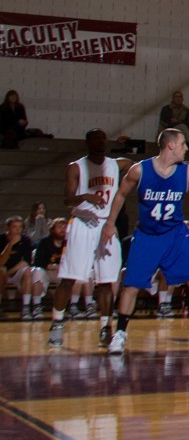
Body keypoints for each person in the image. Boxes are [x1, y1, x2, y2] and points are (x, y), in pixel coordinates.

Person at [100, 129, 189, 354]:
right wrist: (110, 223)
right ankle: (120, 332)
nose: (186, 148)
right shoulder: (139, 170)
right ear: (170, 146)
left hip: (176, 235)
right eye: (183, 144)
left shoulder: (187, 173)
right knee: (131, 285)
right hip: (147, 236)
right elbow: (120, 195)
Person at [48, 129, 126, 348]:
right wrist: (84, 196)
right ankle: (57, 324)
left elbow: (147, 166)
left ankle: (105, 327)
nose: (100, 140)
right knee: (68, 278)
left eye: (103, 137)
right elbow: (67, 200)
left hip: (105, 224)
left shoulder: (116, 164)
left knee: (106, 281)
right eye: (95, 137)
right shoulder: (76, 167)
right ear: (87, 142)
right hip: (82, 223)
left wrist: (180, 165)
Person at [2, 215, 35, 318]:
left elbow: (26, 262)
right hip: (2, 271)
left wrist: (9, 273)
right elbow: (1, 262)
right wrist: (10, 244)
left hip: (14, 272)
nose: (17, 230)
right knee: (1, 270)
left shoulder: (25, 240)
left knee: (27, 270)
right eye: (14, 227)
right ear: (8, 228)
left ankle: (25, 308)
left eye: (20, 227)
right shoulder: (1, 239)